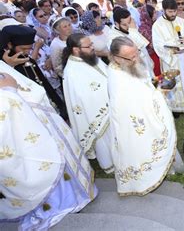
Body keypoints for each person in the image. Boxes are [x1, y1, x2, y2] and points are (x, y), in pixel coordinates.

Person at [0, 64, 97, 229]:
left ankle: (70, 198)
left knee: (51, 159)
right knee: (38, 168)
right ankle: (53, 207)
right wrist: (10, 92)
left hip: (32, 127)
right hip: (16, 136)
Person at [108, 36, 184, 196]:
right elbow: (137, 106)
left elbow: (142, 87)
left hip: (142, 112)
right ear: (116, 58)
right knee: (143, 153)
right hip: (136, 127)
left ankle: (167, 169)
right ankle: (145, 179)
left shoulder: (125, 65)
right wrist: (160, 92)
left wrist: (154, 82)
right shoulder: (118, 79)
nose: (136, 59)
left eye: (136, 53)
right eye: (131, 57)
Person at [62, 33, 114, 173]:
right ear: (76, 50)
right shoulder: (72, 71)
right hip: (97, 110)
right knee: (104, 137)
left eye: (91, 44)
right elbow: (84, 96)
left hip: (110, 102)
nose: (92, 47)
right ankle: (111, 163)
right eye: (88, 45)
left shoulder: (90, 58)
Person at [0, 25, 67, 119]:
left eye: (30, 48)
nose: (27, 52)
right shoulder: (2, 64)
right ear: (10, 45)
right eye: (23, 49)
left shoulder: (27, 59)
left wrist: (61, 106)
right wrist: (9, 66)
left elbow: (44, 83)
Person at [152, 0, 184, 113]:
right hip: (170, 60)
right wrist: (171, 51)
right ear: (163, 10)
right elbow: (158, 45)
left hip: (183, 57)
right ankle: (175, 107)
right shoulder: (157, 25)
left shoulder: (180, 21)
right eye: (170, 12)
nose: (173, 14)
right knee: (174, 82)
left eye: (174, 11)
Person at [108, 7, 154, 78]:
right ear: (116, 23)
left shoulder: (130, 28)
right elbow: (136, 48)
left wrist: (149, 62)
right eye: (124, 24)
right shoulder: (113, 38)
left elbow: (143, 48)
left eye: (129, 22)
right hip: (135, 71)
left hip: (146, 66)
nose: (128, 26)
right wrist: (133, 31)